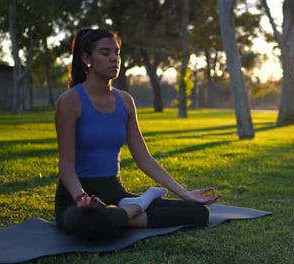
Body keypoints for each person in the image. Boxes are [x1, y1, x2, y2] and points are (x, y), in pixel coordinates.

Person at [54, 28, 218, 240]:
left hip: (116, 194)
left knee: (197, 213)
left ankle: (118, 215)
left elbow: (144, 158)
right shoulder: (70, 101)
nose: (114, 59)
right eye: (105, 53)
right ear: (87, 58)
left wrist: (184, 194)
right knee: (90, 221)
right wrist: (81, 198)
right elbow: (66, 166)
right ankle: (138, 206)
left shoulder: (125, 101)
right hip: (75, 199)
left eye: (117, 52)